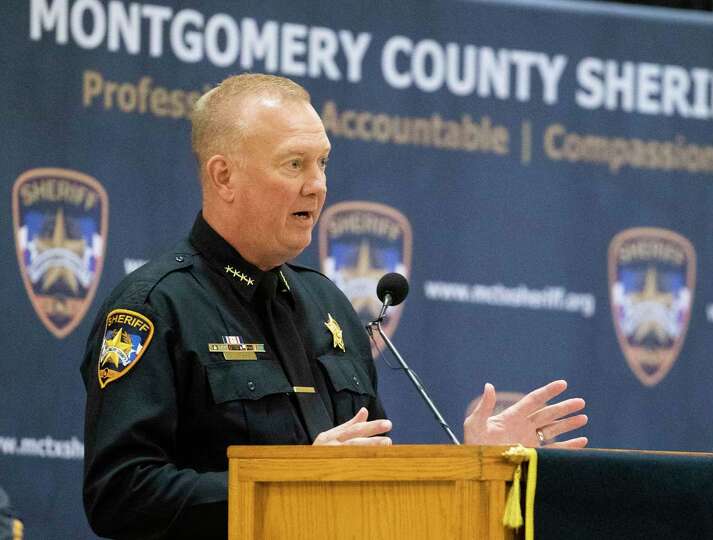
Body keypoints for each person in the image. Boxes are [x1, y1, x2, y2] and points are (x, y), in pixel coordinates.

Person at [80, 73, 588, 539]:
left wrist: (471, 467)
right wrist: (295, 479)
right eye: (294, 163)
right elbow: (120, 493)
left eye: (322, 162)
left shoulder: (330, 306)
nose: (317, 184)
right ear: (224, 177)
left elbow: (374, 485)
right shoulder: (155, 306)